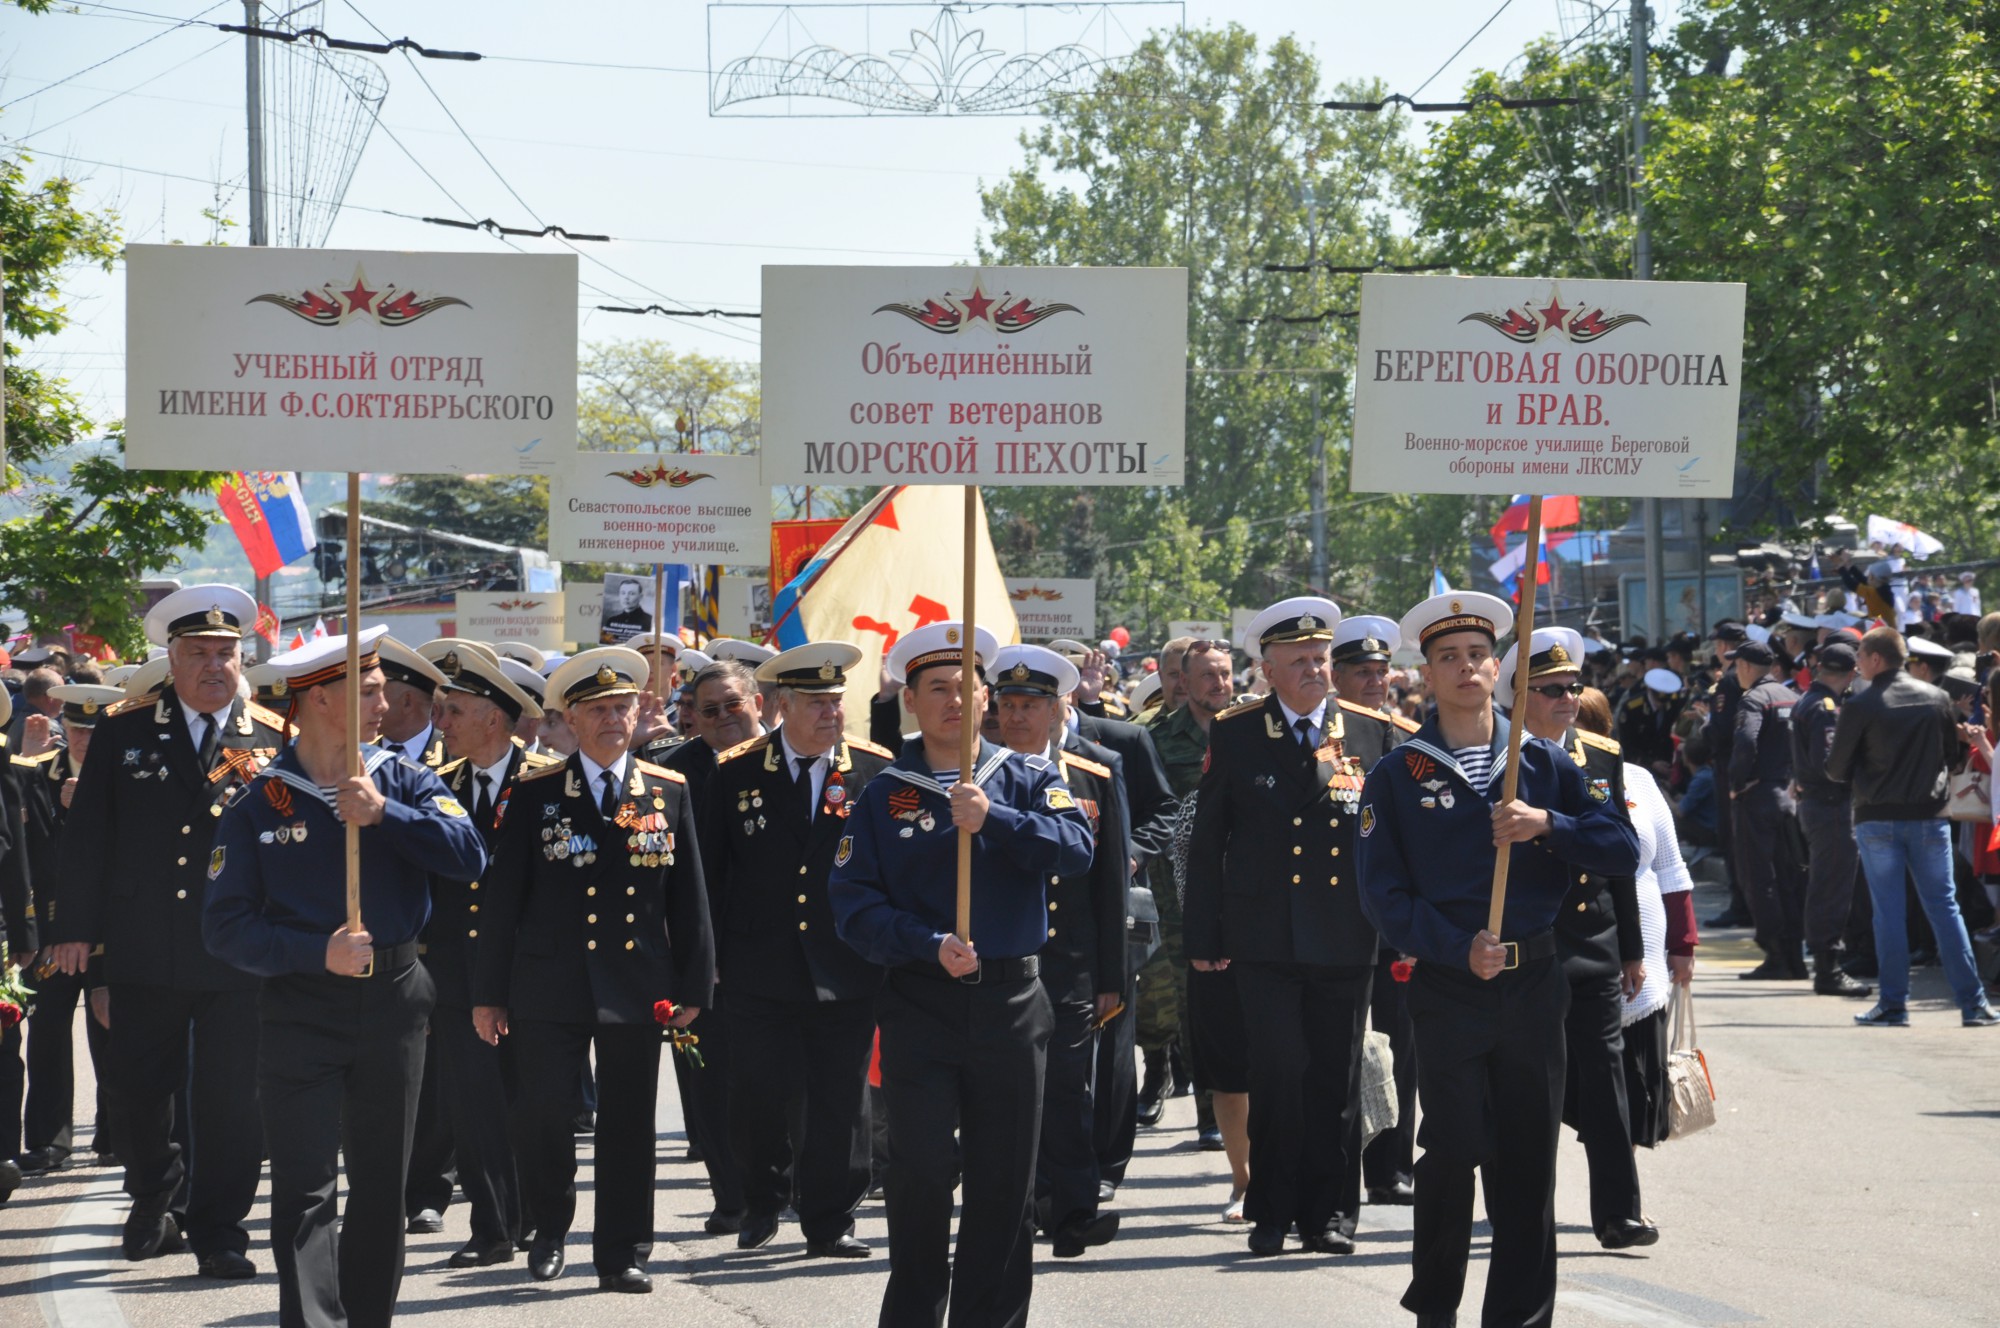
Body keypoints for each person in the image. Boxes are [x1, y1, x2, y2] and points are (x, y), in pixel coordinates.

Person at [1358, 589, 1640, 1328]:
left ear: (1496, 669)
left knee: (1526, 1166)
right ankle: (1437, 1305)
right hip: (1451, 986)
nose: (1466, 668)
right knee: (1452, 1152)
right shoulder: (1398, 774)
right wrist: (1456, 946)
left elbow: (1621, 848)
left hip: (1535, 984)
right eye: (1449, 658)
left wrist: (1548, 824)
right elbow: (1382, 895)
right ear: (1428, 673)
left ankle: (1518, 1317)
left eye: (1478, 656)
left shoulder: (1544, 764)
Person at [204, 628, 488, 1328]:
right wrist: (311, 952)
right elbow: (225, 928)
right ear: (320, 700)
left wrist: (385, 815)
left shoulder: (402, 779)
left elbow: (469, 856)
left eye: (381, 689)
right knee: (303, 1186)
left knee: (381, 1185)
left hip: (395, 1000)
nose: (384, 703)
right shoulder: (258, 800)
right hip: (302, 1007)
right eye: (366, 692)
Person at [828, 621, 1092, 1328]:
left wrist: (997, 819)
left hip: (1011, 1000)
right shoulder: (885, 794)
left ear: (987, 696)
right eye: (936, 689)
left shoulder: (1030, 777)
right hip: (921, 1004)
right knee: (918, 1173)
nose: (954, 701)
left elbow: (1075, 849)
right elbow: (853, 907)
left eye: (965, 687)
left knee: (1005, 1179)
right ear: (910, 701)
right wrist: (925, 941)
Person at [45, 585, 285, 1277]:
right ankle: (154, 1194)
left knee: (233, 1101)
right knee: (135, 1086)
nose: (216, 667)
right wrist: (78, 936)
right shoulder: (125, 732)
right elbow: (89, 840)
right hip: (145, 944)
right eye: (200, 654)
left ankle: (222, 1230)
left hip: (239, 951)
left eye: (227, 654)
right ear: (172, 661)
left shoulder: (271, 736)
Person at [473, 647, 715, 1292]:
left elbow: (689, 899)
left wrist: (695, 984)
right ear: (570, 721)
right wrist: (489, 994)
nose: (613, 719)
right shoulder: (537, 792)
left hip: (637, 983)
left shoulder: (667, 792)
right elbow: (503, 902)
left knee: (630, 1123)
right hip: (549, 982)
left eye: (621, 708)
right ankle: (549, 1226)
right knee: (545, 1114)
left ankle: (624, 1250)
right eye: (598, 710)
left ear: (638, 714)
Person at [1186, 597, 1397, 1258]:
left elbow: (1389, 844)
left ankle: (1332, 1214)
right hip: (1265, 935)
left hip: (1343, 935)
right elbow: (1209, 840)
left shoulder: (1368, 731)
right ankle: (1271, 1211)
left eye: (1320, 657)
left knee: (1334, 1079)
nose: (1313, 669)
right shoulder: (1238, 731)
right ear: (1268, 669)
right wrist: (1205, 936)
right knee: (1277, 1074)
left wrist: (1400, 930)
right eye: (1298, 660)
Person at [701, 642, 896, 1258]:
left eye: (837, 701)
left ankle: (831, 1216)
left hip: (846, 962)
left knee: (840, 1099)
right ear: (782, 705)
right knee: (760, 1091)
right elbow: (711, 873)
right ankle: (762, 1200)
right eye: (817, 702)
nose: (831, 713)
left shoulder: (873, 771)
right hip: (758, 964)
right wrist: (707, 962)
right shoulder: (733, 770)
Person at [1499, 629, 1651, 1251]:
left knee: (1605, 1077)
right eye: (1552, 690)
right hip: (1527, 942)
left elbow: (1621, 856)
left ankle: (1619, 1211)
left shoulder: (1600, 754)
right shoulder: (1497, 756)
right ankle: (1521, 1210)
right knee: (1530, 1085)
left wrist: (1634, 947)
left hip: (1592, 938)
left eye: (1573, 687)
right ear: (1518, 696)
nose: (1567, 699)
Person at [419, 641, 562, 1266]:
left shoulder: (551, 779)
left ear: (494, 717)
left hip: (533, 971)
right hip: (456, 971)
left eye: (454, 710)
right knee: (474, 1105)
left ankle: (537, 1215)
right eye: (441, 710)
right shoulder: (435, 785)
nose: (441, 723)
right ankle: (492, 1226)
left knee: (532, 1103)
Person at [989, 642, 1127, 1259]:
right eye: (1008, 703)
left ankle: (1073, 1212)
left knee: (1071, 1090)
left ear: (1057, 710)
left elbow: (1108, 883)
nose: (1017, 717)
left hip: (1070, 960)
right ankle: (1016, 1209)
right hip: (998, 960)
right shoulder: (978, 775)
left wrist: (1112, 974)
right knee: (1009, 1092)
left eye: (1030, 705)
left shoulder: (1095, 772)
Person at [1827, 627, 1999, 1027]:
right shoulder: (1936, 698)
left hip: (1877, 817)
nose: (1857, 666)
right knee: (1944, 908)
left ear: (1874, 659)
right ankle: (1973, 1004)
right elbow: (1948, 755)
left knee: (1888, 913)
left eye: (1861, 658)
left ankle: (1893, 1004)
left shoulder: (1861, 704)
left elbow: (1836, 768)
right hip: (1929, 816)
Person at [1148, 638, 1251, 1216]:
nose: (1218, 684)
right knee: (1196, 1010)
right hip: (1181, 896)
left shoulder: (1255, 729)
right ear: (1183, 682)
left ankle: (1255, 1153)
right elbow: (1154, 812)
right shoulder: (1159, 740)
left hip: (1253, 900)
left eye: (1225, 673)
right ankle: (1216, 1118)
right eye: (1207, 675)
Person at [1330, 615, 1422, 1209]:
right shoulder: (1325, 739)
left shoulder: (1407, 736)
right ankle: (1339, 1169)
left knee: (1400, 1046)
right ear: (1335, 675)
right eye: (1360, 672)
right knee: (1339, 1052)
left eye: (1380, 671)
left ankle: (1391, 1166)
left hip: (1394, 924)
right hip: (1335, 919)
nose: (1373, 681)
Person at [18, 684, 121, 1175]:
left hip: (107, 929)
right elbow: (29, 856)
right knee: (48, 1035)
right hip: (55, 928)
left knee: (112, 1030)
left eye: (95, 732)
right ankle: (48, 1140)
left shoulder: (126, 778)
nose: (85, 741)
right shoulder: (38, 775)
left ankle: (115, 1132)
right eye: (78, 731)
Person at [1789, 642, 1875, 998]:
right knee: (1831, 888)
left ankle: (1830, 962)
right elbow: (1831, 767)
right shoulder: (1825, 708)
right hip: (1831, 807)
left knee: (1830, 885)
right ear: (1852, 672)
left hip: (1820, 805)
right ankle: (1828, 968)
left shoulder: (1809, 701)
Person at [1727, 640, 1809, 979]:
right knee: (1790, 878)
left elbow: (1746, 741)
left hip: (1759, 797)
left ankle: (1777, 956)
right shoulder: (1794, 697)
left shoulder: (1753, 699)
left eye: (1737, 665)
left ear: (1746, 666)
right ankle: (1795, 956)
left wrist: (1735, 782)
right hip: (1790, 795)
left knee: (1761, 879)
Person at [599, 578, 653, 644]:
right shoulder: (611, 621)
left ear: (640, 597)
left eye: (632, 593)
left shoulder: (649, 621)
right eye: (623, 593)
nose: (626, 597)